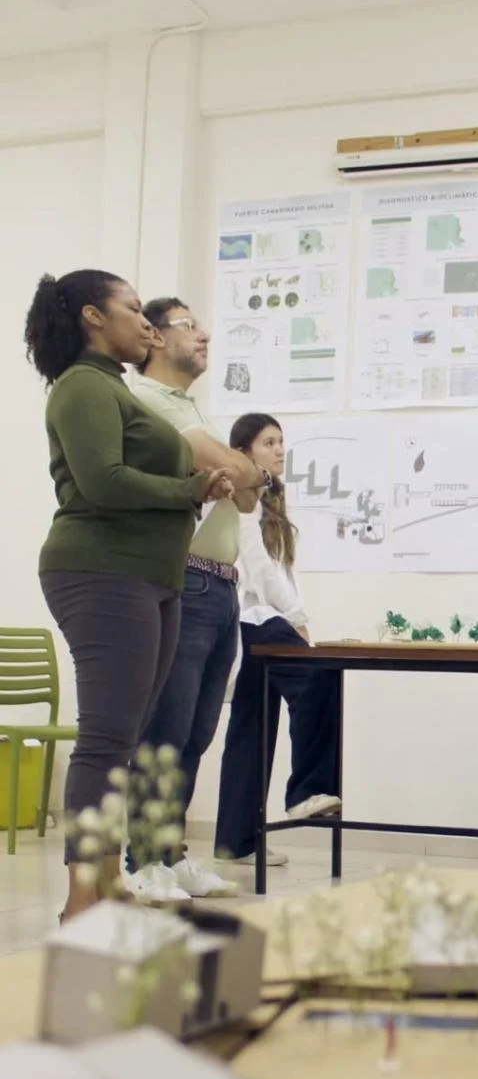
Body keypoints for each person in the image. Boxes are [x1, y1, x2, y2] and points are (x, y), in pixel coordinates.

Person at [26, 270, 234, 922]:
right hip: (100, 570)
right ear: (94, 317)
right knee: (107, 738)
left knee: (126, 738)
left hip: (149, 576)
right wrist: (188, 490)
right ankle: (82, 895)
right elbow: (102, 483)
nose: (147, 323)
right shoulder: (83, 387)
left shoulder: (116, 388)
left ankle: (109, 880)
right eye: (134, 310)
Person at [125, 298, 277, 900]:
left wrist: (241, 472)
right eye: (190, 325)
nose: (205, 334)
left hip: (221, 586)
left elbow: (243, 495)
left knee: (197, 732)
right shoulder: (150, 399)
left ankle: (171, 853)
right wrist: (241, 470)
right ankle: (141, 862)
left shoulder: (192, 407)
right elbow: (233, 474)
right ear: (155, 337)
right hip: (182, 576)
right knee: (166, 729)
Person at [214, 413, 341, 866]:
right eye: (269, 442)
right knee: (320, 677)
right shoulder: (244, 494)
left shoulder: (272, 498)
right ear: (245, 452)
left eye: (282, 442)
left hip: (264, 618)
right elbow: (260, 568)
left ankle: (237, 840)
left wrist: (299, 616)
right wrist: (296, 619)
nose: (280, 450)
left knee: (251, 727)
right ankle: (307, 789)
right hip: (254, 619)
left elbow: (285, 569)